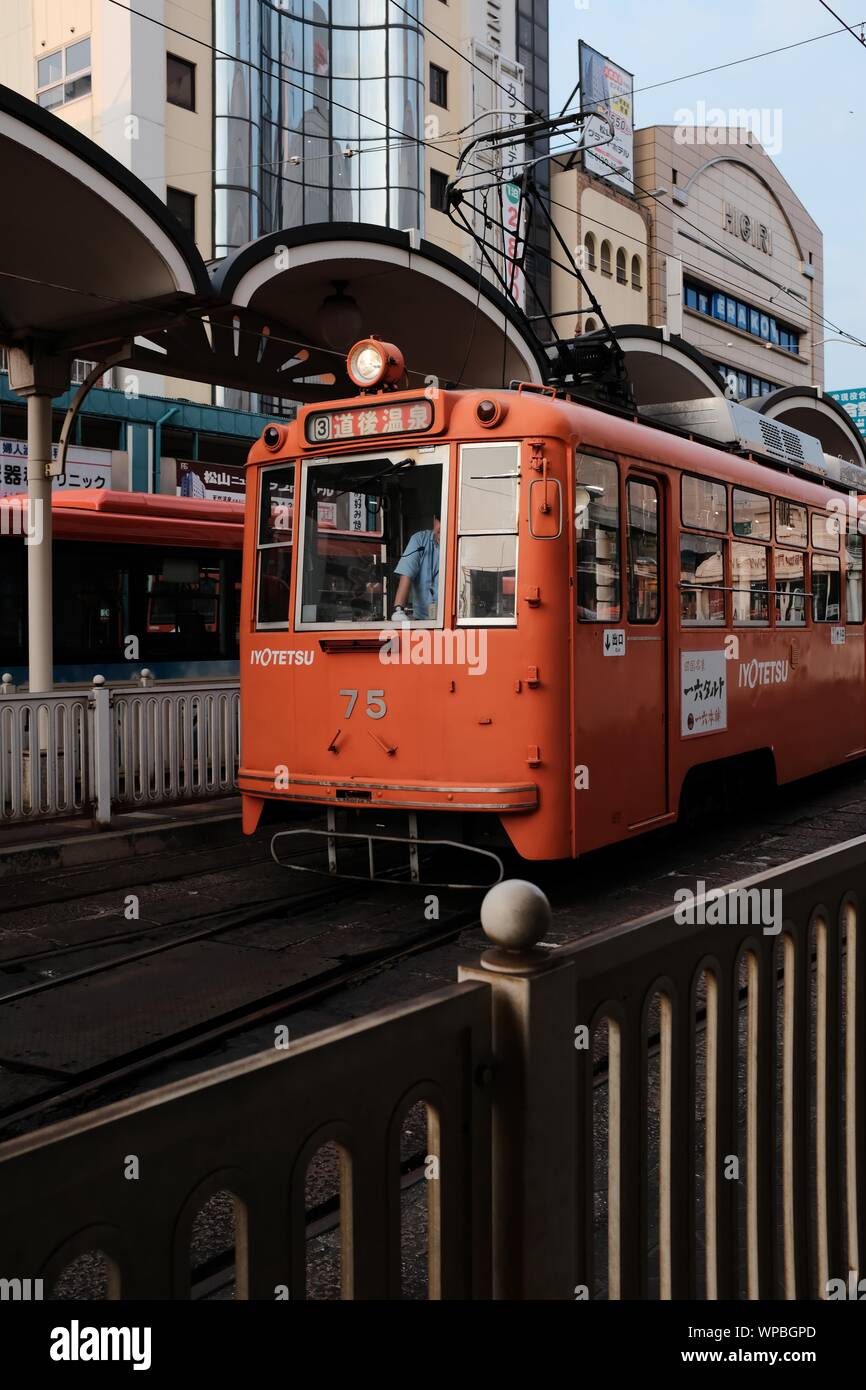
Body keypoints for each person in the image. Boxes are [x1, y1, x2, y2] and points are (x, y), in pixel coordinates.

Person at [391, 514, 440, 620]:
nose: (441, 536)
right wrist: (399, 609)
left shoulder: (459, 542)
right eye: (439, 531)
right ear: (434, 521)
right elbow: (406, 575)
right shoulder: (420, 540)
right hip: (422, 620)